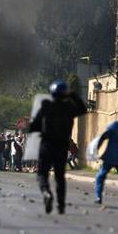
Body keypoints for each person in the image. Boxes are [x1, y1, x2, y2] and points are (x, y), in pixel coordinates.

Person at [28, 80, 86, 214]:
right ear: (65, 94)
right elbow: (83, 109)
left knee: (42, 173)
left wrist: (35, 129)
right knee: (60, 177)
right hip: (61, 147)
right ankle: (61, 205)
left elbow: (34, 126)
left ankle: (46, 193)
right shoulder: (69, 108)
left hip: (47, 145)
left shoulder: (46, 106)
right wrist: (73, 95)